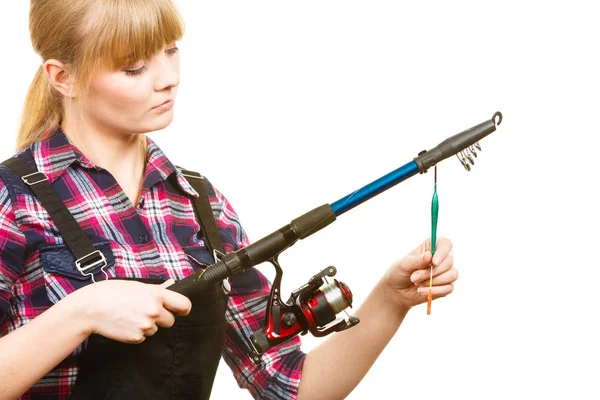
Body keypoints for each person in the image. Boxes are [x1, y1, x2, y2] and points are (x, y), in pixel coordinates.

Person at [0, 1, 459, 399]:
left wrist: (390, 301)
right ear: (63, 77)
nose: (168, 78)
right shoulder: (12, 201)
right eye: (134, 66)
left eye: (171, 50)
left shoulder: (200, 205)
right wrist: (83, 311)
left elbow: (285, 385)